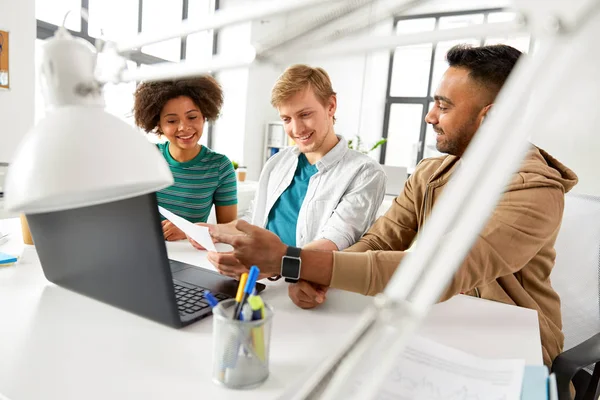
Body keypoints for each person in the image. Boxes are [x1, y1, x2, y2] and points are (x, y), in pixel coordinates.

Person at [209, 45, 578, 368]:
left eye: (443, 106)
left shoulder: (535, 190)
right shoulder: (432, 174)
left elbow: (437, 269)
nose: (430, 116)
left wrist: (293, 261)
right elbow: (377, 241)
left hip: (512, 345)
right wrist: (319, 279)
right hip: (440, 323)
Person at [197, 64, 387, 275]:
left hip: (305, 283)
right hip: (260, 278)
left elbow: (334, 241)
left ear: (331, 106)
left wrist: (275, 266)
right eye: (286, 119)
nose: (296, 130)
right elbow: (254, 222)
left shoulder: (364, 173)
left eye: (304, 114)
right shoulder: (277, 163)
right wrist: (210, 231)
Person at [133, 77, 238, 241]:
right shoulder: (146, 156)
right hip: (142, 248)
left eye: (192, 117)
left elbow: (231, 232)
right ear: (158, 124)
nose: (184, 127)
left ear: (204, 116)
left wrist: (189, 231)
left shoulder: (219, 167)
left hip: (190, 259)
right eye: (172, 121)